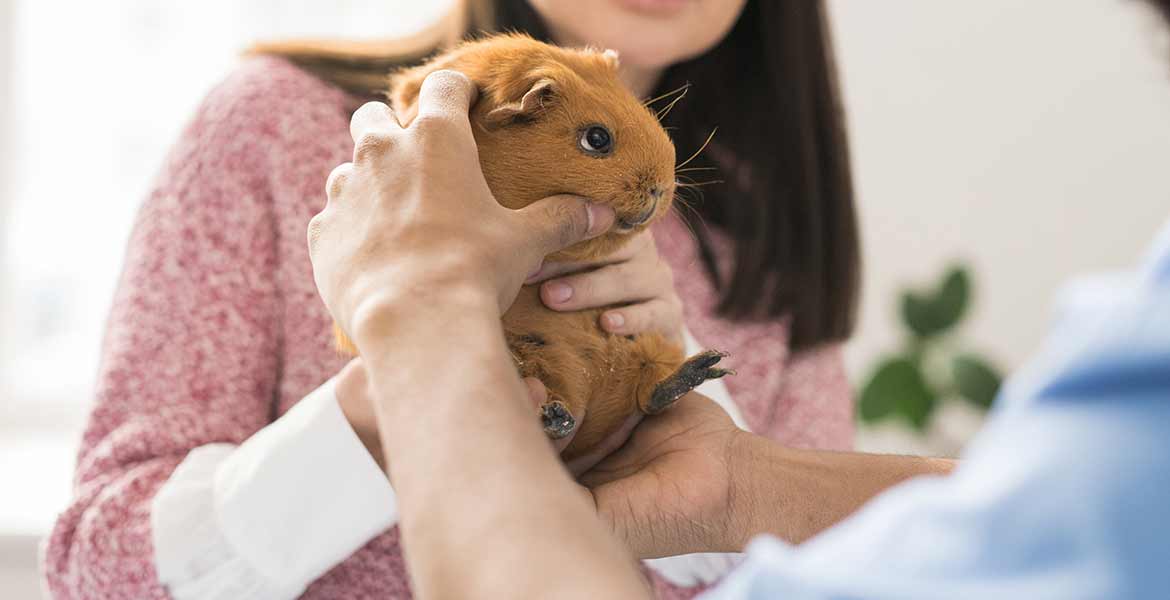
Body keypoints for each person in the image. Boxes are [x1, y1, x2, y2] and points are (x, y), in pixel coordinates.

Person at [298, 0, 1170, 598]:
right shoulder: (288, 133)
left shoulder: (771, 220)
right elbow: (1030, 520)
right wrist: (738, 489)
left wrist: (420, 313)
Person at [41, 1, 859, 599]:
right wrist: (399, 381)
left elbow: (859, 566)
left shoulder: (763, 223)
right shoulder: (268, 127)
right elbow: (95, 568)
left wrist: (663, 397)